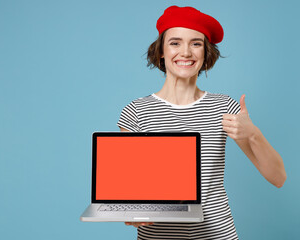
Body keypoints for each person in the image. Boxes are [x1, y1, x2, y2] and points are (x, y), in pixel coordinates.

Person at [117, 5, 287, 240]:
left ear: (206, 53)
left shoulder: (224, 107)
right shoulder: (136, 112)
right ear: (161, 52)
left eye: (196, 43)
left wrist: (253, 133)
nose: (185, 52)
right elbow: (130, 193)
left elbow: (278, 178)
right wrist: (134, 213)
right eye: (175, 43)